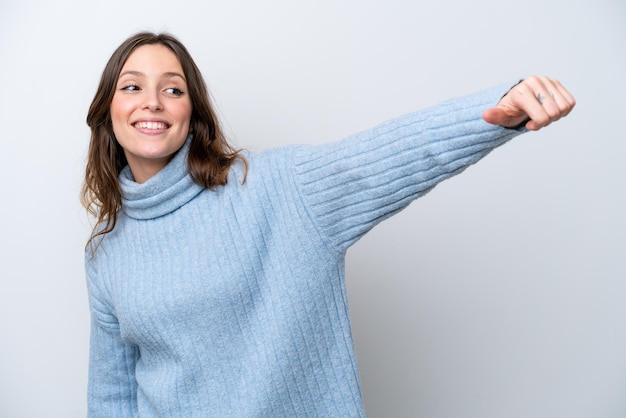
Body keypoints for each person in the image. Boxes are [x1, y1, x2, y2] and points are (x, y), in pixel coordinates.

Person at [81, 31, 575, 417]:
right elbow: (113, 399)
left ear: (193, 112)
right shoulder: (106, 254)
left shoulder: (275, 188)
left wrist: (495, 111)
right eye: (131, 86)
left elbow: (386, 157)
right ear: (108, 109)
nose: (153, 102)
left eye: (173, 88)